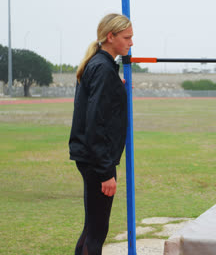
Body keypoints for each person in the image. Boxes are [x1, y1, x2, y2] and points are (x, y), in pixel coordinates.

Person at [69, 13, 133, 255]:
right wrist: (106, 172)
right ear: (110, 37)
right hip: (98, 160)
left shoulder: (98, 64)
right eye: (127, 37)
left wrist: (118, 87)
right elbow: (96, 121)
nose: (131, 43)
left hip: (90, 156)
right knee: (96, 233)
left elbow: (97, 105)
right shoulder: (103, 68)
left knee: (91, 229)